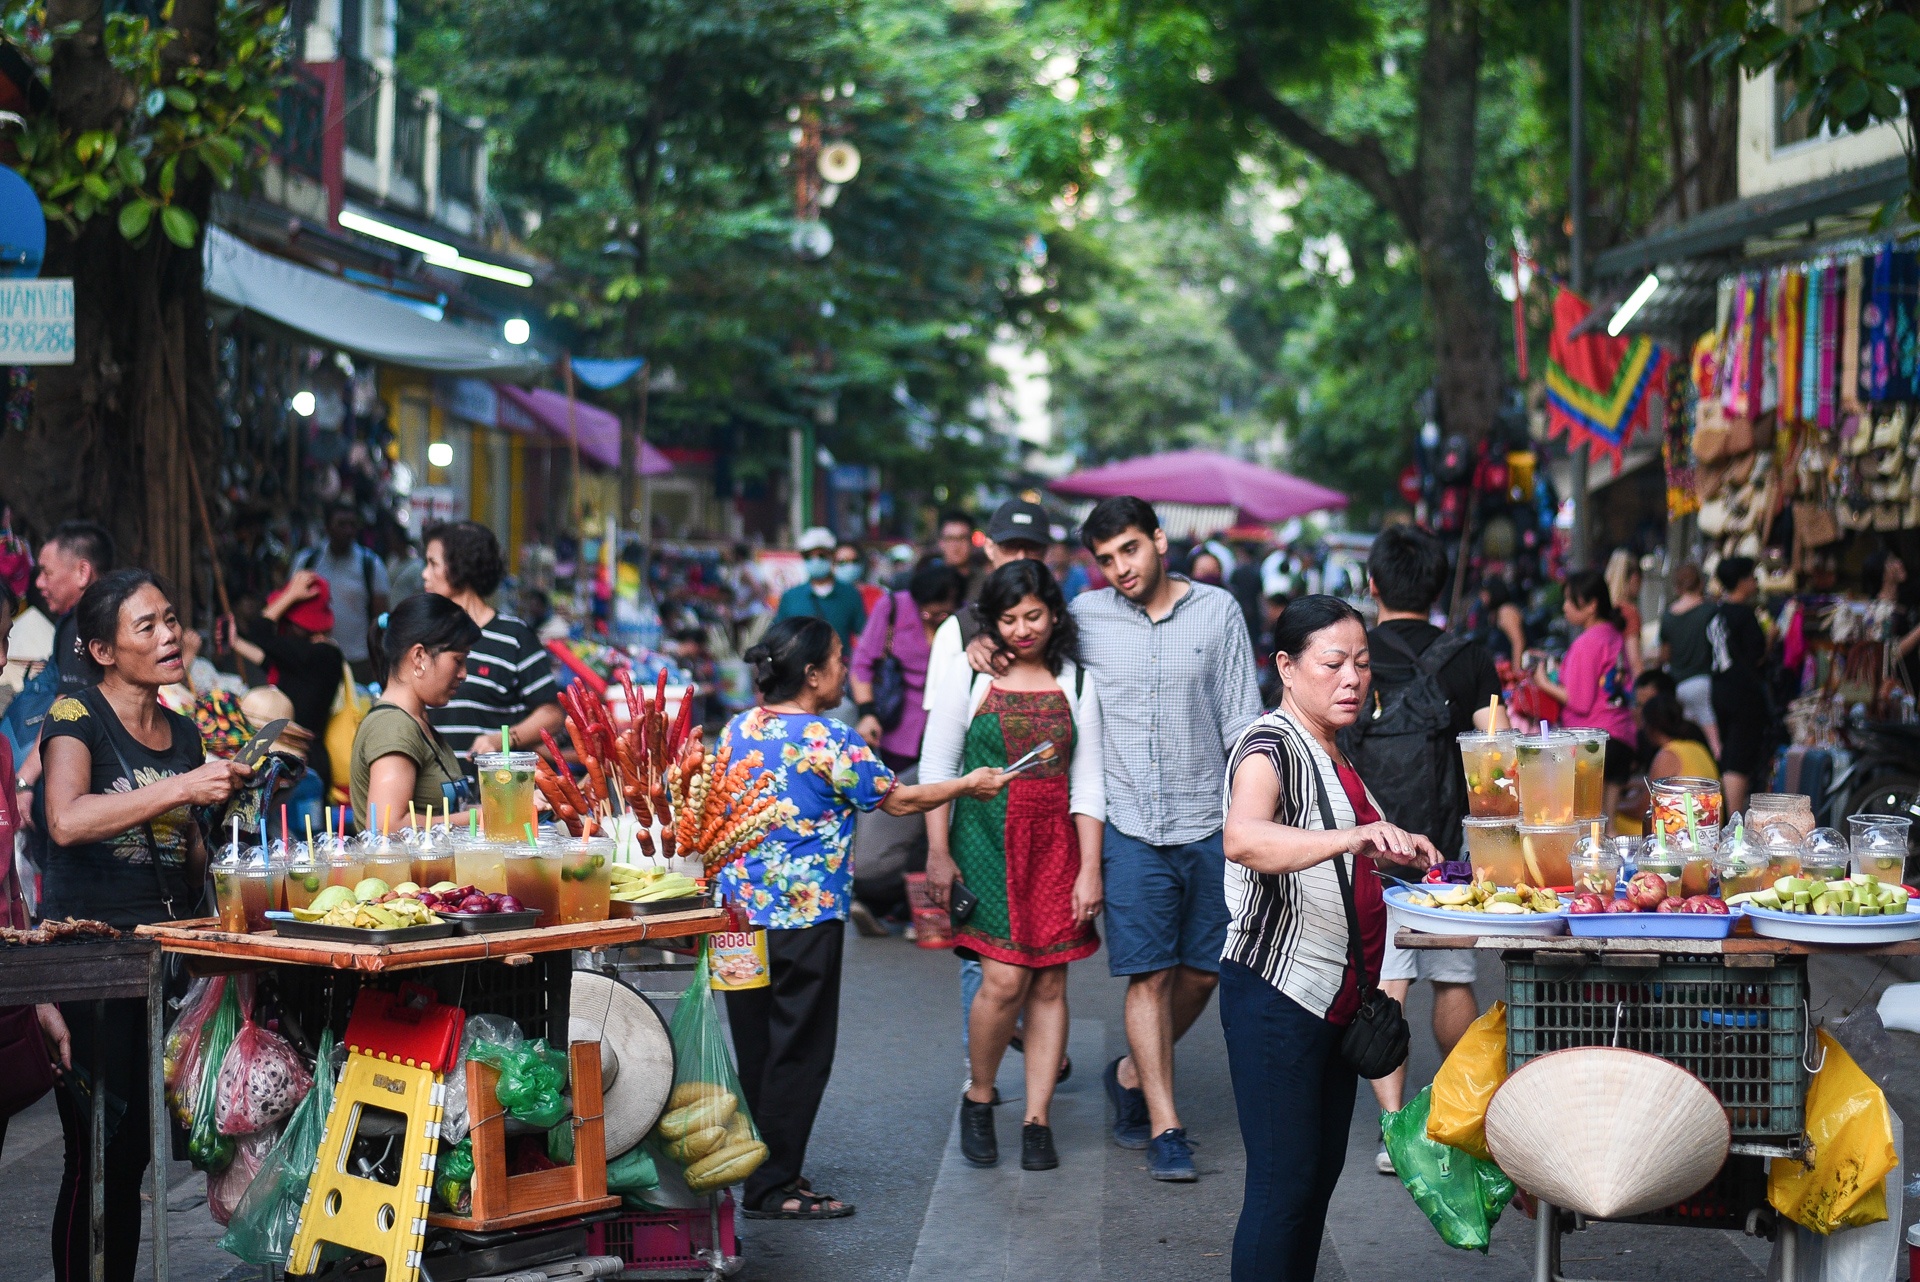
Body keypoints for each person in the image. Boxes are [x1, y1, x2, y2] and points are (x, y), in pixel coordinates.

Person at [968, 496, 1260, 1182]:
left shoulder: (1217, 612)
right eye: (1105, 559)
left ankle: (1130, 1071)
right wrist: (982, 642)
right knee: (1148, 975)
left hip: (1208, 823)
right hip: (1127, 823)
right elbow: (1024, 635)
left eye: (1129, 550)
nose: (1120, 568)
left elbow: (1243, 727)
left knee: (1204, 972)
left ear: (1159, 540)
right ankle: (1166, 1124)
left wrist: (1253, 825)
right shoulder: (1087, 619)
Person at [718, 617, 1007, 1220]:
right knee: (800, 1050)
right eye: (841, 660)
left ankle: (761, 1170)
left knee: (757, 1047)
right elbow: (897, 799)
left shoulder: (737, 729)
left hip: (736, 920)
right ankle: (774, 1187)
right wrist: (968, 785)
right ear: (814, 674)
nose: (848, 671)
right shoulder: (830, 738)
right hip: (803, 919)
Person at [39, 570, 252, 1282]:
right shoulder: (75, 716)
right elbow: (66, 820)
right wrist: (184, 786)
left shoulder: (183, 731)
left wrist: (216, 809)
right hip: (88, 960)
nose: (169, 637)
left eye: (170, 620)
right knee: (95, 1153)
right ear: (102, 648)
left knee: (133, 1154)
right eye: (146, 627)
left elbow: (187, 861)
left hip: (162, 959)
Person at [1220, 595, 1440, 1281]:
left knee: (1313, 1183)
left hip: (1335, 1002)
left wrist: (1404, 852)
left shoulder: (1333, 753)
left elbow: (1361, 857)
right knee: (1283, 1190)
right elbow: (1244, 837)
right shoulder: (1269, 746)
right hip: (1277, 998)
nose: (1352, 679)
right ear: (1287, 666)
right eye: (1333, 663)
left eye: (1363, 664)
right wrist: (1352, 837)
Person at [921, 560, 1105, 1171]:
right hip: (983, 840)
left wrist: (1090, 869)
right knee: (1002, 981)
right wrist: (938, 850)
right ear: (991, 623)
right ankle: (979, 1095)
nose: (1023, 629)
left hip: (1057, 844)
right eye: (1008, 619)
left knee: (1050, 981)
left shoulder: (1077, 681)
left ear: (1054, 614)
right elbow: (937, 767)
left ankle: (1037, 1118)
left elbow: (1089, 784)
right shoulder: (968, 673)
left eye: (1033, 616)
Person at [1349, 523, 1501, 1174]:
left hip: (1368, 839)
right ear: (1437, 588)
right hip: (1445, 849)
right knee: (1452, 977)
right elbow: (1497, 760)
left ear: (1373, 584)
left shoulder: (1351, 652)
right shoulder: (1467, 657)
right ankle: (1455, 1118)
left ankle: (1392, 1126)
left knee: (1388, 977)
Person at [845, 563, 962, 934]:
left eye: (942, 612)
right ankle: (891, 901)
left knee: (938, 827)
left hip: (945, 736)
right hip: (899, 736)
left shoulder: (964, 620)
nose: (934, 618)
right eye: (928, 611)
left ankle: (921, 910)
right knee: (898, 822)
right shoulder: (893, 607)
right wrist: (866, 714)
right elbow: (862, 664)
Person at [0, 580, 71, 1160]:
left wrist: (38, 996)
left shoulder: (1, 753)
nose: (1, 660)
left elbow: (11, 889)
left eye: (5, 640)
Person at [421, 521, 562, 763]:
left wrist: (502, 740)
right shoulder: (424, 636)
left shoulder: (514, 637)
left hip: (498, 794)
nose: (424, 573)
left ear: (459, 567)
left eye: (433, 564)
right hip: (437, 794)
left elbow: (552, 714)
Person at [350, 594, 481, 832]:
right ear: (419, 657)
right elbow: (386, 828)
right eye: (458, 660)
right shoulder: (392, 726)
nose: (463, 673)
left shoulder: (416, 722)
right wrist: (483, 817)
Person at [5, 520, 114, 787]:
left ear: (82, 573)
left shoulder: (82, 622)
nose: (39, 583)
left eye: (46, 572)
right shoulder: (111, 616)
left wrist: (24, 782)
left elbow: (67, 706)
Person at [922, 499, 1052, 717]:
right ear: (990, 549)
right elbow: (938, 720)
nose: (1021, 557)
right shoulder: (959, 628)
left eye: (1032, 547)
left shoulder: (1063, 620)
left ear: (1046, 552)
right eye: (1010, 547)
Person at [1529, 570, 1637, 821]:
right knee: (1608, 823)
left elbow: (1579, 701)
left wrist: (1543, 682)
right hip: (1622, 738)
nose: (1565, 607)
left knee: (1585, 823)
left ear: (1591, 605)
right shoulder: (1612, 635)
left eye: (1570, 600)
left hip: (1593, 744)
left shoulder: (1588, 642)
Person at [228, 568, 344, 791]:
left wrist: (289, 595)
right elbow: (274, 662)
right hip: (296, 759)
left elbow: (260, 633)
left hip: (303, 766)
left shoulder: (321, 654)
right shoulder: (313, 656)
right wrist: (236, 643)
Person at [295, 504, 389, 685]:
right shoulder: (308, 561)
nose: (348, 530)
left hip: (358, 661)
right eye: (342, 524)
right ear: (327, 527)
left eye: (352, 525)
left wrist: (377, 658)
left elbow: (381, 617)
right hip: (314, 657)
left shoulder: (371, 565)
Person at [1708, 556, 1771, 815]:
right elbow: (1757, 655)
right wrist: (1772, 638)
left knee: (1729, 752)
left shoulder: (1716, 614)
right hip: (1743, 693)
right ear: (1742, 581)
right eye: (1752, 577)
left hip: (1720, 688)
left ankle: (1727, 815)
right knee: (1739, 756)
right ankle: (1733, 819)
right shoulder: (1745, 615)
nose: (1755, 583)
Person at [1658, 563, 1721, 757]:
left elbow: (1664, 655)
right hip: (1704, 682)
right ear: (1701, 583)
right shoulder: (1710, 611)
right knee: (1714, 740)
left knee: (1686, 740)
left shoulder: (1668, 616)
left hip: (1679, 685)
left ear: (1677, 587)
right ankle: (1718, 777)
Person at [776, 527, 868, 657]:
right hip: (799, 673)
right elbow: (778, 638)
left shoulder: (850, 595)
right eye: (809, 556)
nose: (816, 561)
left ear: (832, 556)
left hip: (838, 671)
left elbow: (865, 635)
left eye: (822, 555)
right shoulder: (790, 597)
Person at [1603, 549, 1645, 677]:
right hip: (1625, 685)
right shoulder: (1629, 612)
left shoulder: (1603, 609)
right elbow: (1634, 661)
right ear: (1634, 577)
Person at [1475, 575, 1528, 666]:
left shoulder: (1506, 611)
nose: (1482, 597)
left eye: (1485, 594)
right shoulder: (1494, 615)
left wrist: (1516, 669)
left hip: (1520, 666)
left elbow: (1518, 642)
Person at [934, 510, 981, 596]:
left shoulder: (986, 584)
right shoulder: (929, 581)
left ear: (971, 541)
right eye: (950, 538)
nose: (956, 545)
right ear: (940, 542)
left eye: (962, 538)